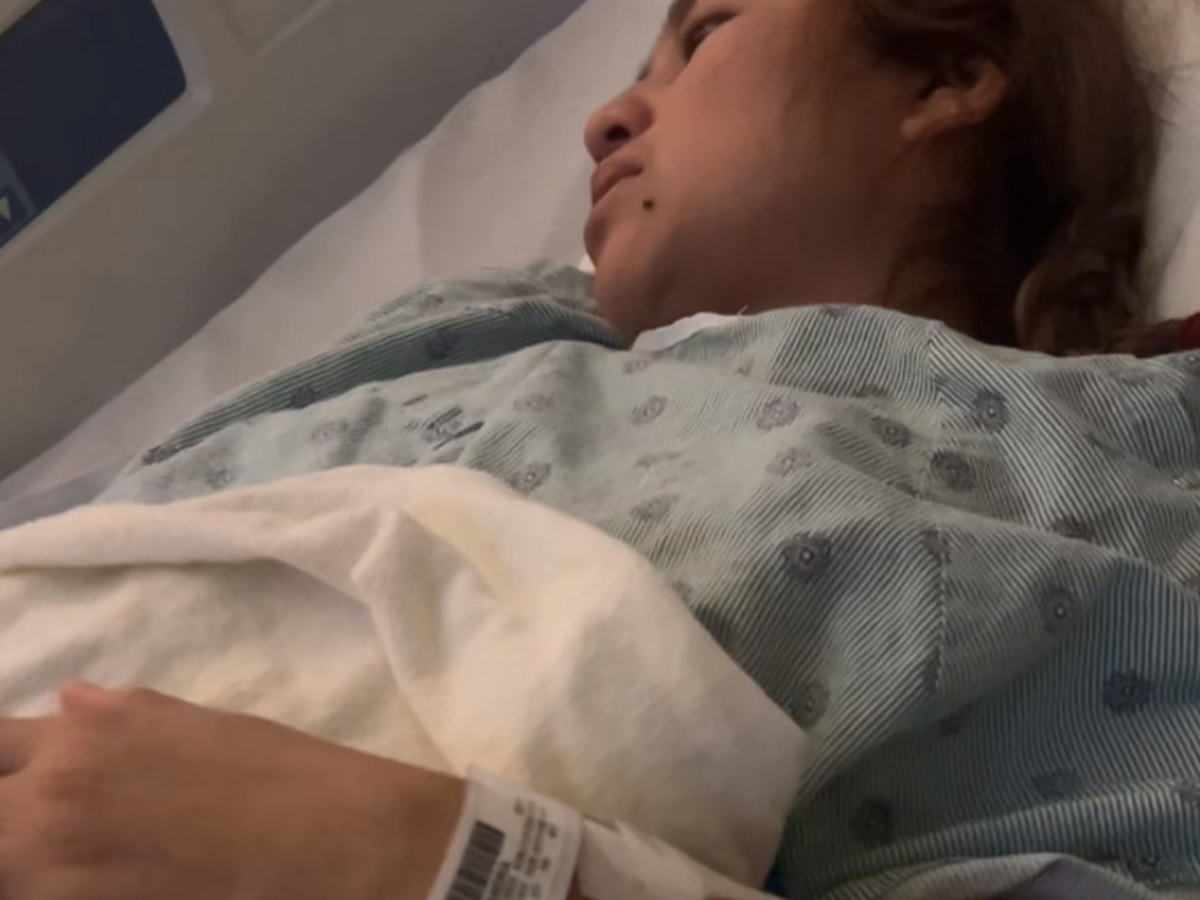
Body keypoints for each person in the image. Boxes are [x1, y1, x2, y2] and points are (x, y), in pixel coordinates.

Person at [0, 1, 1195, 898]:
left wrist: (415, 858)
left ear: (945, 78)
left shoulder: (1089, 468)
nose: (604, 118)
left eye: (705, 33)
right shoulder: (472, 337)